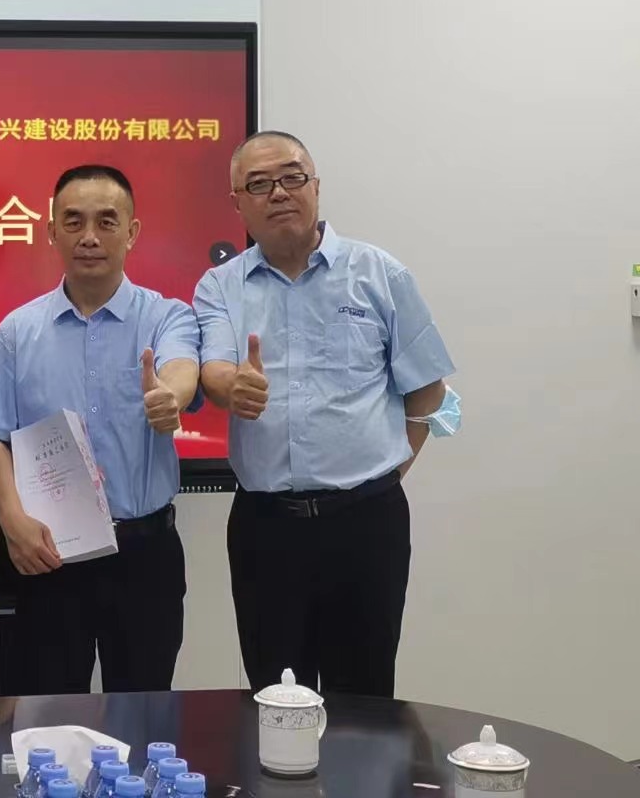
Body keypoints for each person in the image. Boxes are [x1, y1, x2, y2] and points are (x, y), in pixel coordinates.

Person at [193, 130, 455, 697]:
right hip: (266, 527)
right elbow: (212, 368)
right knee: (274, 700)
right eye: (258, 184)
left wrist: (388, 473)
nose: (278, 192)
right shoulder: (220, 286)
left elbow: (428, 390)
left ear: (316, 185)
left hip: (367, 524)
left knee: (364, 700)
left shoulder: (379, 273)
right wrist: (231, 386)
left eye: (292, 177)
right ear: (237, 203)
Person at [0, 164, 201, 695]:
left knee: (143, 714)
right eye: (74, 221)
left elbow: (181, 369)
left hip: (144, 554)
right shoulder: (16, 332)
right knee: (44, 717)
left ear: (132, 231)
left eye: (106, 221)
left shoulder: (166, 317)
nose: (89, 237)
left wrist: (170, 397)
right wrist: (10, 519)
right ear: (51, 231)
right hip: (48, 555)